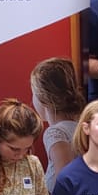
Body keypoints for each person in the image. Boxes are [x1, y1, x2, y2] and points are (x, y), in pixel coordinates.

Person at [30, 57, 84, 185]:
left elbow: (65, 179)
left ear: (43, 98)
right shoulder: (81, 127)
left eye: (33, 93)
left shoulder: (55, 133)